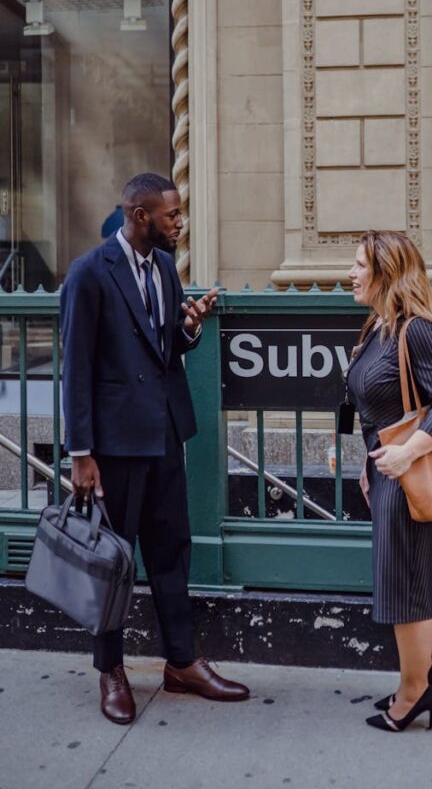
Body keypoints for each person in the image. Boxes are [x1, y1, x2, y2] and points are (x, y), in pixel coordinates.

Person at [61, 172, 249, 724]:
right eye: (171, 215)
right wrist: (80, 453)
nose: (179, 222)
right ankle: (110, 671)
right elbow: (76, 370)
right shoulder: (89, 274)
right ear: (139, 215)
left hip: (165, 434)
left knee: (172, 552)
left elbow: (163, 347)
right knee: (114, 564)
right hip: (114, 446)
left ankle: (182, 663)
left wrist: (189, 328)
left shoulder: (165, 268)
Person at [345, 230, 432, 733]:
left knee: (410, 585)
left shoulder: (416, 330)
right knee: (401, 582)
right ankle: (415, 679)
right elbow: (377, 407)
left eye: (358, 265)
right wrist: (368, 462)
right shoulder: (379, 328)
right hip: (388, 473)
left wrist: (406, 452)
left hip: (410, 476)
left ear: (386, 272)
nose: (349, 274)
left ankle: (415, 693)